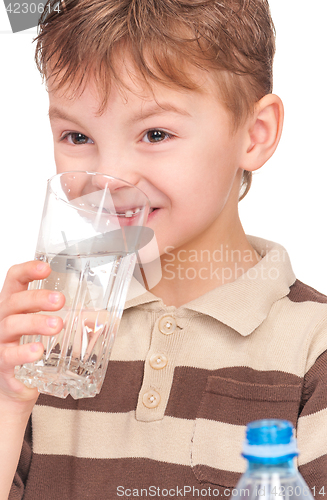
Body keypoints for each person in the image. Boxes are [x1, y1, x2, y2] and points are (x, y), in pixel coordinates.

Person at [1, 0, 326, 498]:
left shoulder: (313, 348)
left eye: (155, 134)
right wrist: (6, 402)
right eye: (77, 135)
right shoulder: (47, 343)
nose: (111, 180)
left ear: (255, 135)